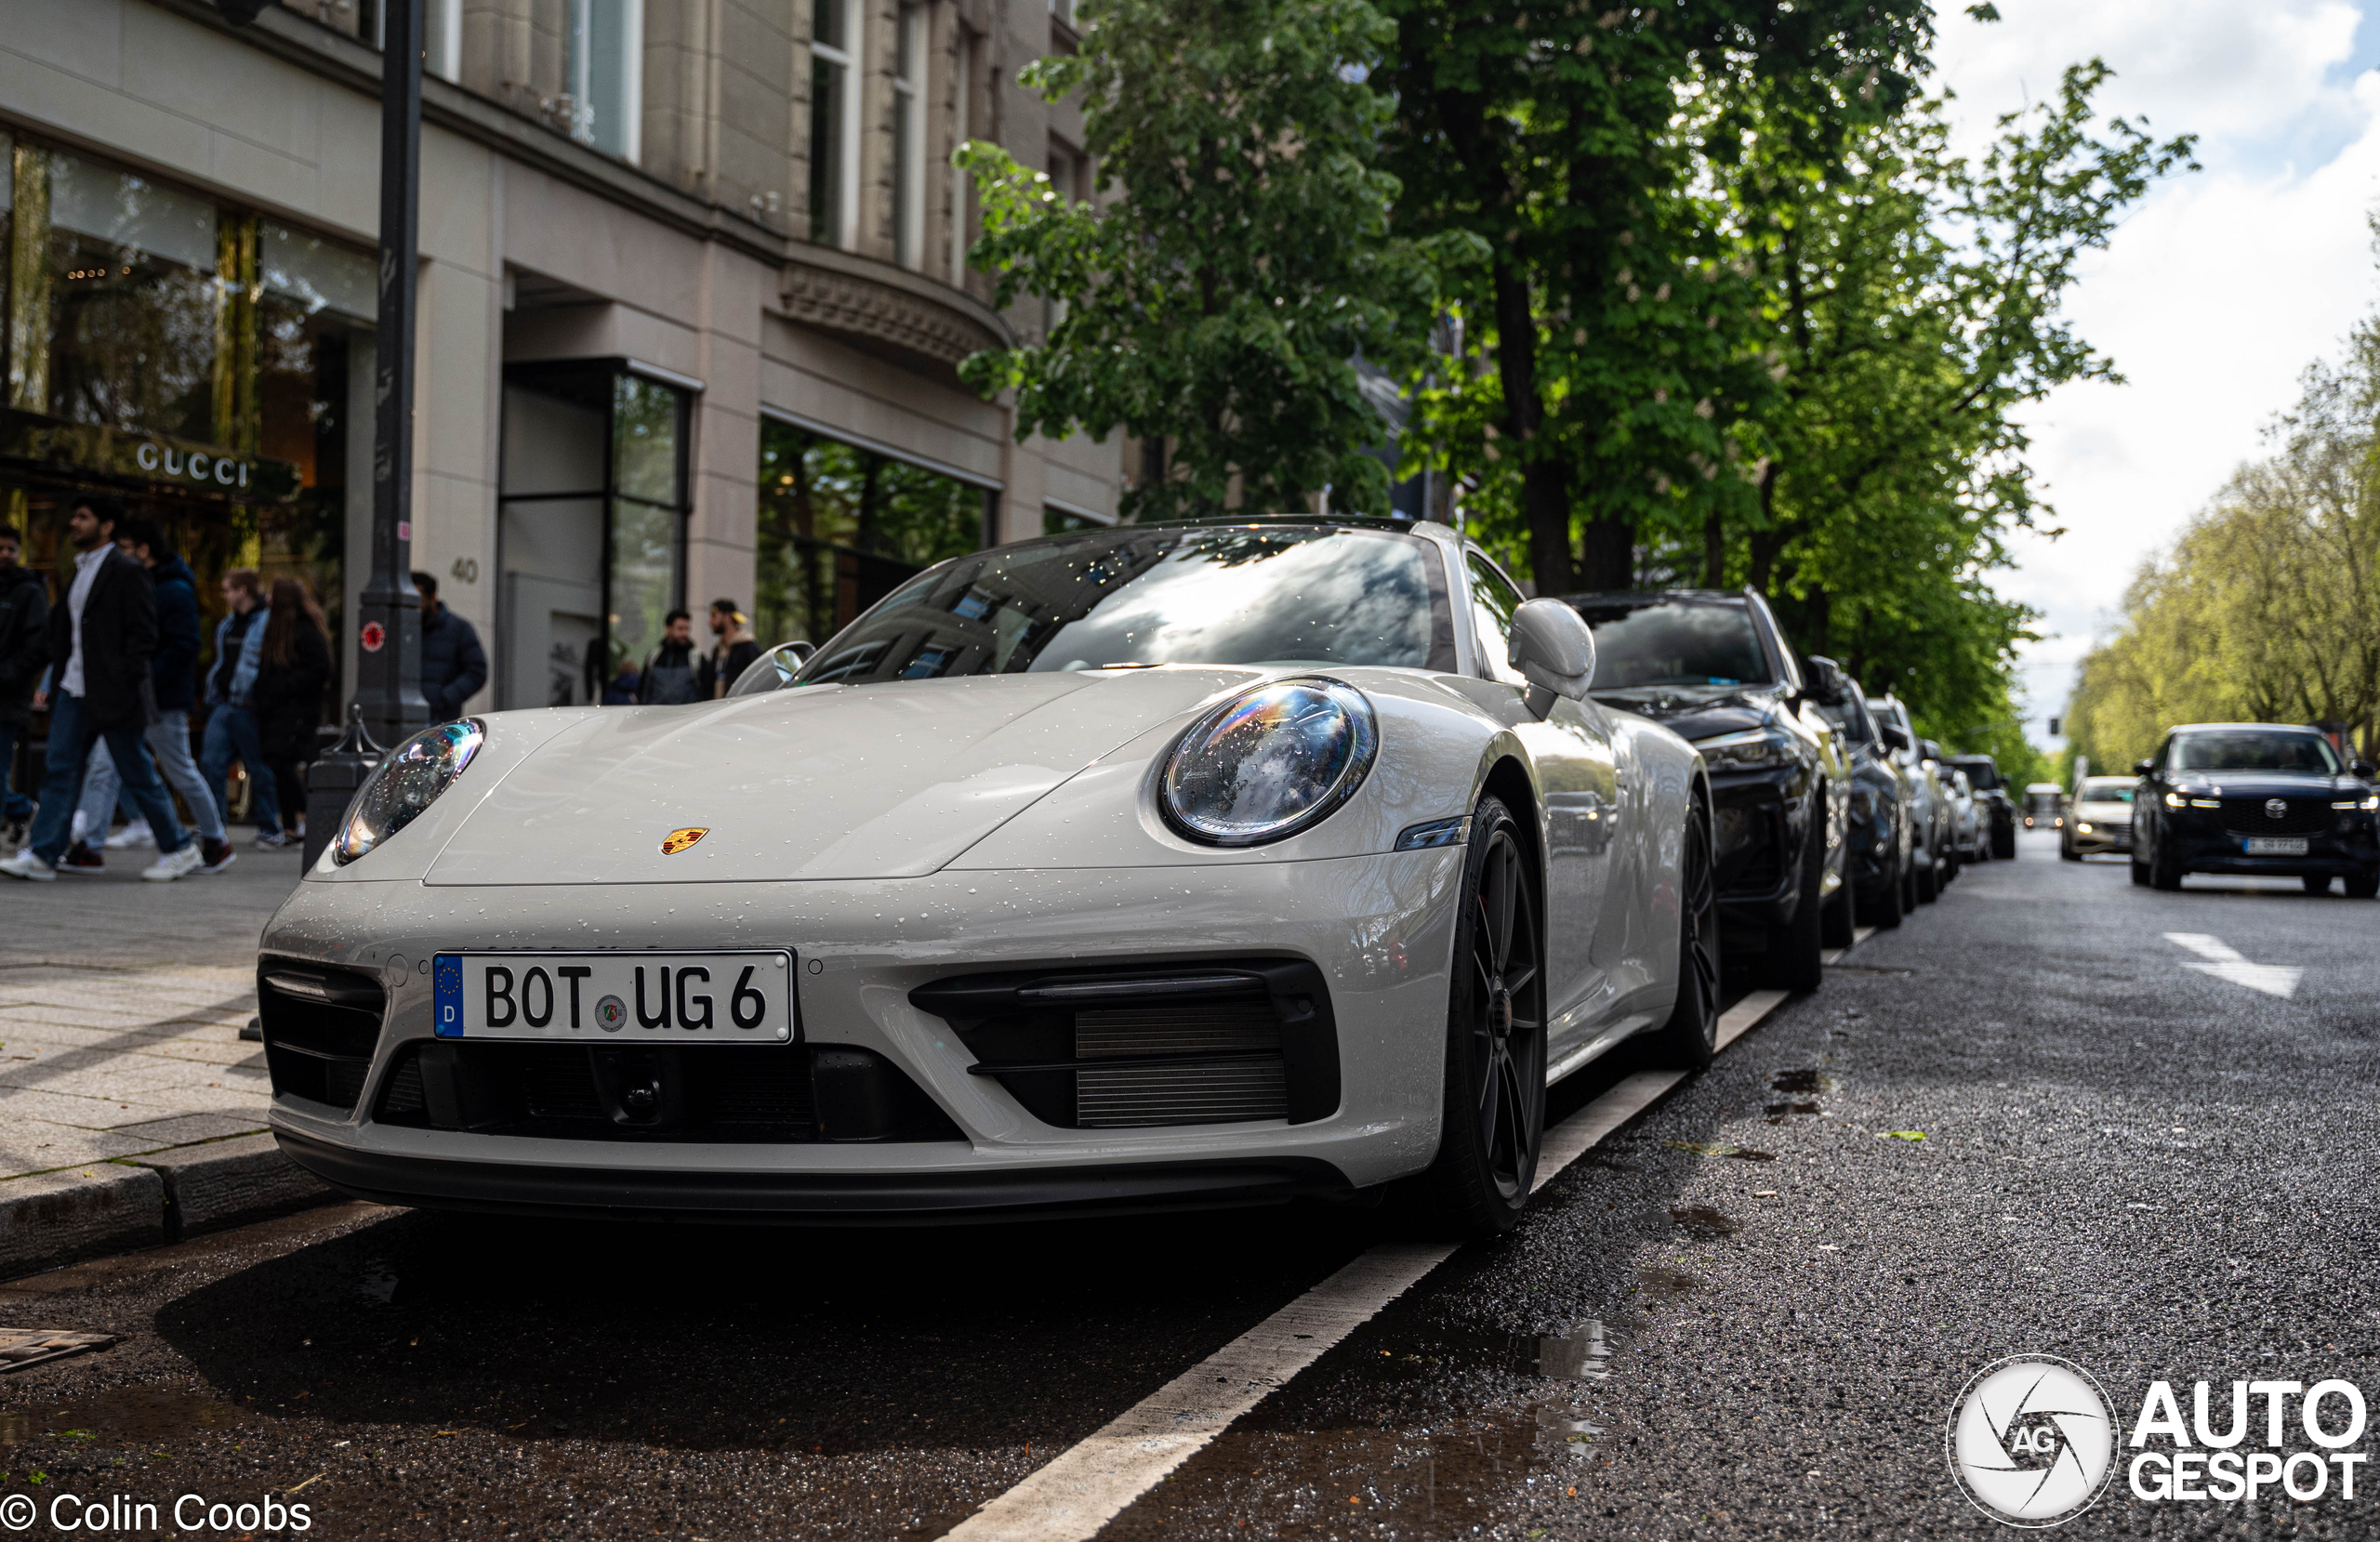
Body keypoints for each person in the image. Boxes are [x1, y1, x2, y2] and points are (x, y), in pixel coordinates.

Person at [0, 496, 197, 882]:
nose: (73, 523)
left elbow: (143, 634)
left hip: (113, 694)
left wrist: (124, 681)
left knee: (137, 771)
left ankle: (180, 847)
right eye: (74, 515)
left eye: (82, 517)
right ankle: (43, 855)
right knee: (59, 770)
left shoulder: (126, 570)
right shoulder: (80, 569)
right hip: (74, 691)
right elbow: (65, 635)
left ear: (107, 526)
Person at [70, 520, 237, 873]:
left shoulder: (172, 589)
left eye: (126, 547)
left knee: (179, 768)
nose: (118, 554)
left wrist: (144, 682)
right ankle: (90, 848)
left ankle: (216, 840)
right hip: (132, 694)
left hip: (158, 699)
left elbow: (183, 646)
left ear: (143, 550)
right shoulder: (140, 582)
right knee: (104, 767)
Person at [249, 576, 331, 850]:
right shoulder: (282, 628)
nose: (267, 599)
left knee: (283, 765)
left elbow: (321, 669)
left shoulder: (303, 630)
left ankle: (305, 819)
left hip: (294, 711)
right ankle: (292, 825)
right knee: (277, 764)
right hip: (279, 710)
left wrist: (283, 688)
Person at [199, 569, 278, 839]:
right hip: (224, 703)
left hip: (248, 705)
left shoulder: (266, 621)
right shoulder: (228, 624)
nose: (225, 595)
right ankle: (214, 827)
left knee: (259, 767)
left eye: (227, 589)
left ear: (242, 590)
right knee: (211, 763)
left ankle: (269, 827)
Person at [0, 524, 49, 842]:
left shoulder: (28, 592)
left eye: (12, 549)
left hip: (6, 700)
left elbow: (39, 646)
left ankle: (24, 810)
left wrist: (8, 674)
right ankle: (21, 810)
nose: (5, 554)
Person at [412, 570, 486, 721]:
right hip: (407, 715)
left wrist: (445, 698)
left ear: (432, 597)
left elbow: (477, 672)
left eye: (418, 599)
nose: (414, 606)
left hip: (439, 720)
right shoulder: (405, 629)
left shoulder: (459, 629)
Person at [696, 599, 760, 698]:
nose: (710, 621)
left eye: (714, 616)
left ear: (727, 617)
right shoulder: (718, 650)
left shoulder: (747, 648)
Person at [638, 609, 701, 704]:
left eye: (687, 629)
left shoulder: (696, 658)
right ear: (668, 629)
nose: (684, 634)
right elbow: (644, 690)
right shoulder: (654, 657)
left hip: (687, 716)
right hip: (657, 716)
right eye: (680, 629)